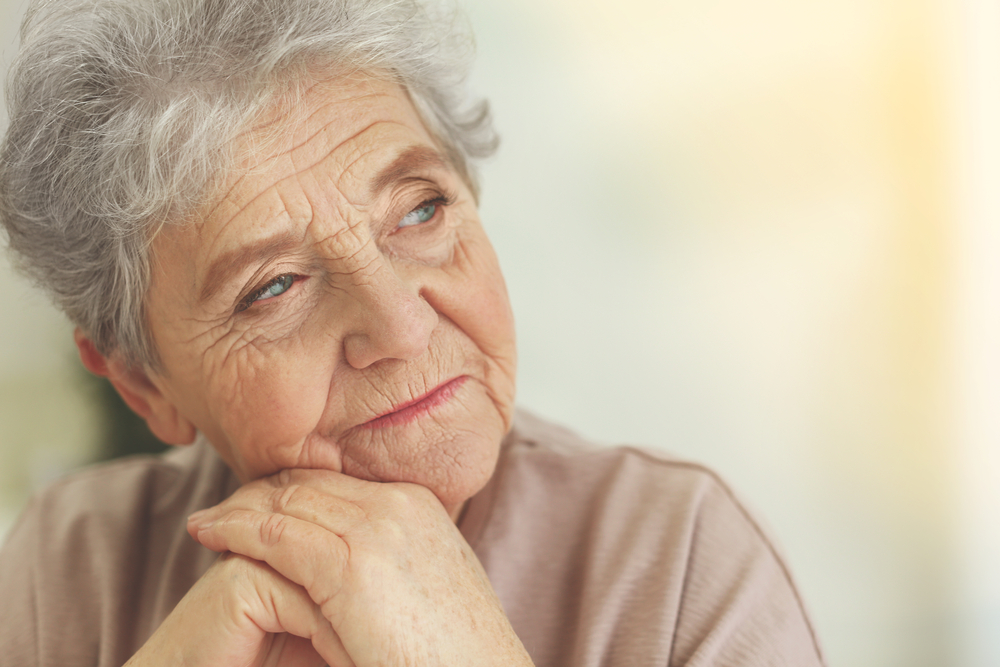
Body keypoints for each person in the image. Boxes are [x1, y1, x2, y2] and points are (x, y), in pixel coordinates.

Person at [0, 0, 826, 665]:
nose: (400, 323)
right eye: (275, 287)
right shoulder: (71, 568)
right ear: (143, 383)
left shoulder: (679, 561)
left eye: (420, 209)